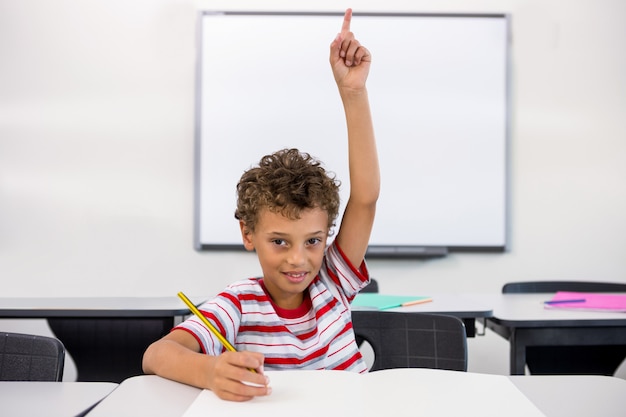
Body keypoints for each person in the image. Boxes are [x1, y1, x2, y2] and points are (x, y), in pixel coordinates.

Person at [142, 8, 379, 402]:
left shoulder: (333, 283)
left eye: (313, 241)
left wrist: (353, 92)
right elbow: (156, 356)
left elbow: (366, 198)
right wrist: (210, 370)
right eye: (280, 242)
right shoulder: (238, 303)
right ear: (248, 234)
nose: (299, 260)